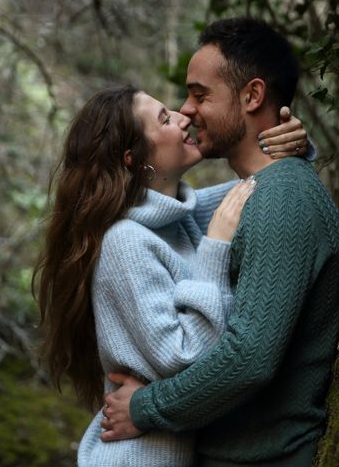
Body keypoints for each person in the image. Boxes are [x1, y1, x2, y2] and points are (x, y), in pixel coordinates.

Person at [101, 18, 339, 467]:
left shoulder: (282, 200)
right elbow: (162, 212)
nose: (186, 109)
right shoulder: (259, 193)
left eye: (200, 94)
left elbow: (249, 358)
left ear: (253, 96)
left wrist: (145, 407)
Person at [34, 85, 308, 467]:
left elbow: (257, 188)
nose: (183, 117)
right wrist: (215, 249)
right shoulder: (125, 242)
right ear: (135, 159)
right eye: (165, 119)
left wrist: (292, 146)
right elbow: (181, 360)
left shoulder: (177, 218)